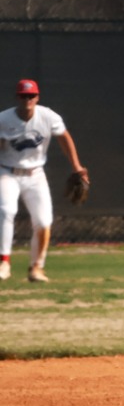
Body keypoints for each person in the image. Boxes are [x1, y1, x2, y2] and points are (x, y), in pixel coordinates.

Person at [0, 79, 87, 283]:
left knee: (43, 221)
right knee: (6, 211)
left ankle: (36, 268)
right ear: (17, 97)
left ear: (37, 97)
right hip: (7, 172)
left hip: (35, 174)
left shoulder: (48, 117)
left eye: (31, 96)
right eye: (24, 96)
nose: (28, 99)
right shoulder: (3, 119)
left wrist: (77, 167)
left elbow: (64, 138)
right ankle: (4, 262)